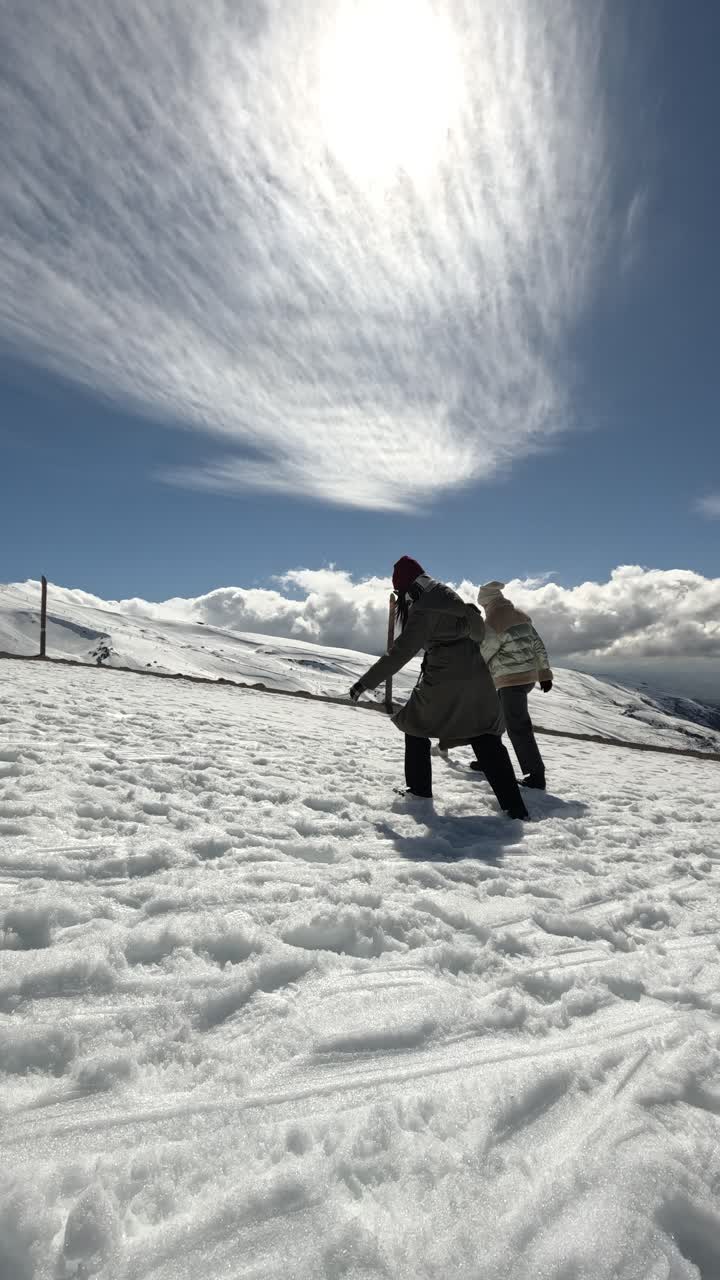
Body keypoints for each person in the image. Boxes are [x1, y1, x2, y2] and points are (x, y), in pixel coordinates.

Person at [348, 558, 528, 819]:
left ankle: (419, 791)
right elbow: (479, 633)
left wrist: (364, 682)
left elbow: (400, 653)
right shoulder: (451, 598)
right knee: (485, 737)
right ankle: (515, 808)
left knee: (414, 725)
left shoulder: (423, 609)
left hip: (444, 677)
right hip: (477, 676)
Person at [474, 580, 553, 790]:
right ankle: (489, 760)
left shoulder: (493, 620)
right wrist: (544, 673)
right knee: (496, 721)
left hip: (510, 681)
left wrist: (472, 671)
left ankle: (535, 776)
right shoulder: (520, 615)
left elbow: (485, 652)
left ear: (486, 602)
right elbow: (538, 645)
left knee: (518, 728)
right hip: (527, 678)